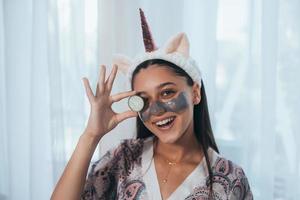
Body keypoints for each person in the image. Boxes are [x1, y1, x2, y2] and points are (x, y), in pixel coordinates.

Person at [51, 9, 253, 200]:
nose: (156, 110)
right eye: (143, 100)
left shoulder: (230, 178)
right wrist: (90, 135)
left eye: (167, 92)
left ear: (195, 93)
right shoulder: (123, 158)